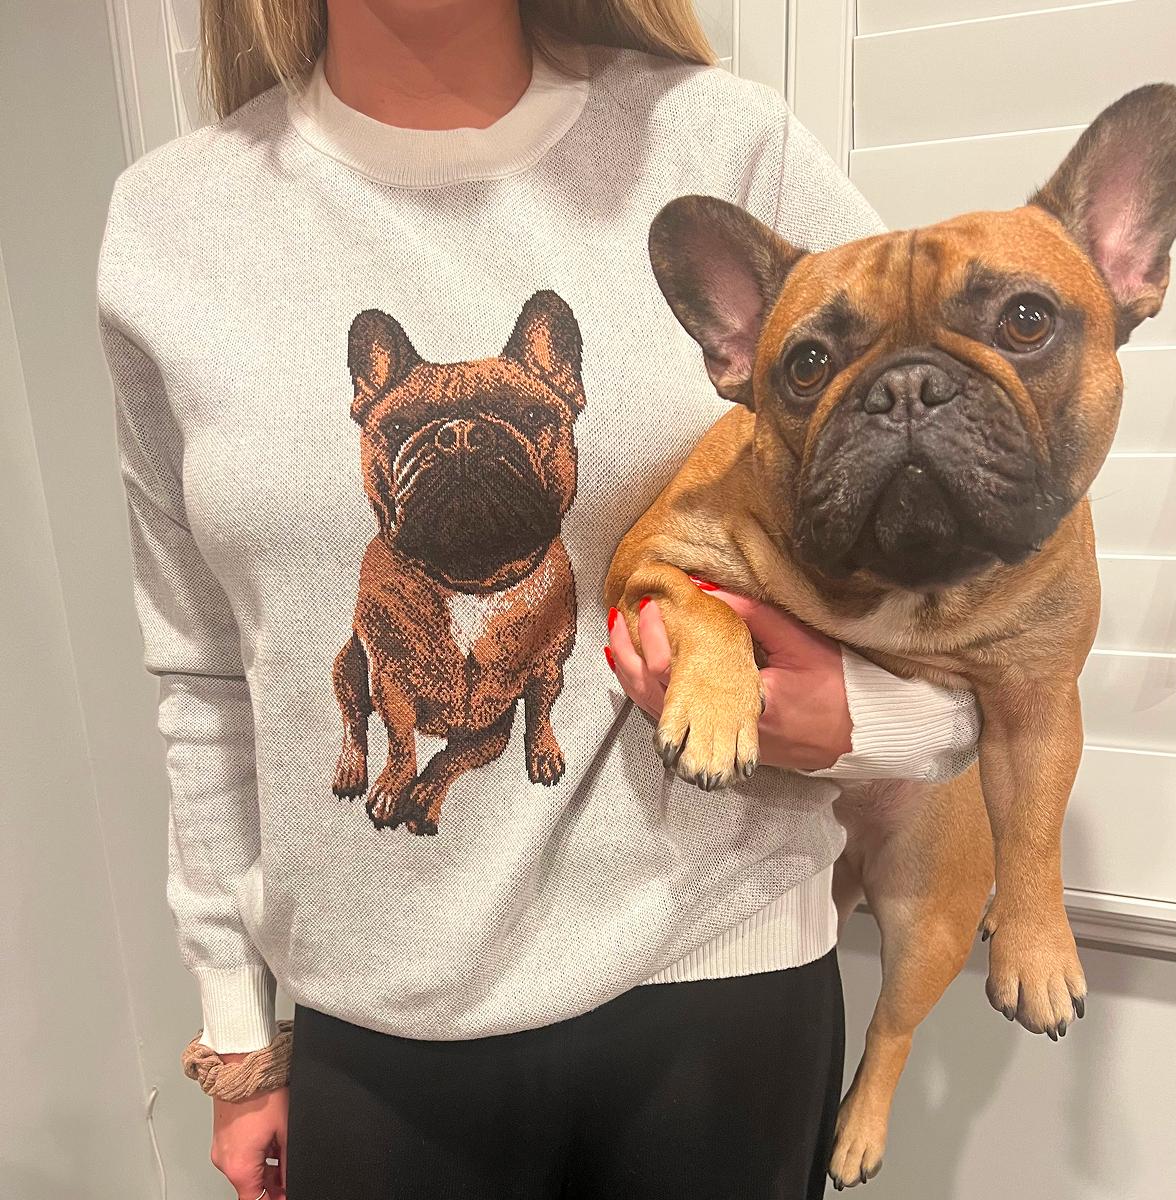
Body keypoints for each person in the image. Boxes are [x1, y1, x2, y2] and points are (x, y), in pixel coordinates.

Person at [98, 2, 979, 1197]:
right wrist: (234, 1029)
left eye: (516, 418)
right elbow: (203, 664)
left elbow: (971, 498)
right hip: (374, 1000)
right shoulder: (174, 223)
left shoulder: (720, 146)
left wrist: (885, 722)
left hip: (715, 967)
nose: (466, 443)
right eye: (417, 431)